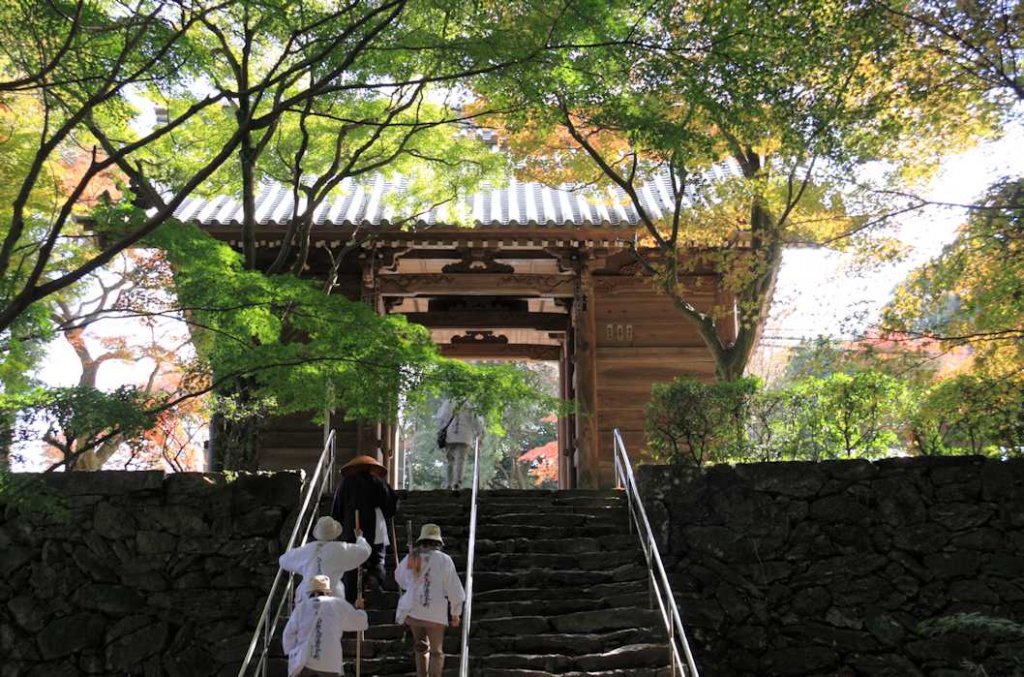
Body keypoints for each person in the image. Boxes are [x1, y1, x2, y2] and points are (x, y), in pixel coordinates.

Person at [395, 523, 466, 677]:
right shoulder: (444, 560)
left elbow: (400, 579)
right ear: (438, 542)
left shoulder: (413, 556)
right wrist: (455, 612)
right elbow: (453, 587)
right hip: (435, 612)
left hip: (414, 610)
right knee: (436, 652)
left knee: (420, 647)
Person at [331, 454, 398, 601]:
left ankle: (351, 593)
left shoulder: (345, 484)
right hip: (375, 526)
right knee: (377, 557)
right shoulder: (379, 482)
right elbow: (390, 506)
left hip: (351, 527)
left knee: (352, 559)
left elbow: (337, 510)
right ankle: (374, 577)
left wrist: (340, 522)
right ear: (370, 468)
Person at [282, 574, 368, 677]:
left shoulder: (302, 607)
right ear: (327, 591)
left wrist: (293, 652)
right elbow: (361, 623)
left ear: (311, 591)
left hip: (306, 660)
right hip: (330, 662)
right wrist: (359, 609)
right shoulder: (336, 604)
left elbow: (288, 634)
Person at [278, 516, 370, 601]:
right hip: (331, 595)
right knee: (338, 590)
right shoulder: (339, 548)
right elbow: (364, 551)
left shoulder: (308, 548)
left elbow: (283, 560)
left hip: (307, 595)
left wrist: (302, 568)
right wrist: (360, 538)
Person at [435, 398, 484, 490]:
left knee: (450, 461)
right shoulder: (469, 405)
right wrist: (480, 434)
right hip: (464, 437)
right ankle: (457, 483)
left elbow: (441, 418)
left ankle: (449, 483)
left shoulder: (448, 403)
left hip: (449, 436)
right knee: (460, 461)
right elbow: (476, 421)